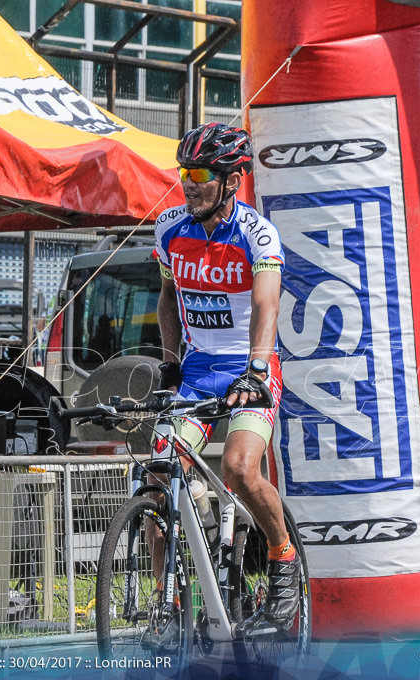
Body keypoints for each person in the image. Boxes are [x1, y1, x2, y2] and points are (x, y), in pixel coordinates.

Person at [154, 122, 297, 625]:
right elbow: (169, 298)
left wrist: (257, 368)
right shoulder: (170, 228)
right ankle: (165, 601)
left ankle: (282, 557)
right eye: (183, 172)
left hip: (249, 367)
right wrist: (169, 363)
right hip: (196, 372)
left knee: (239, 467)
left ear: (231, 180)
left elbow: (266, 303)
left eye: (199, 173)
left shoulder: (257, 233)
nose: (188, 182)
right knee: (158, 479)